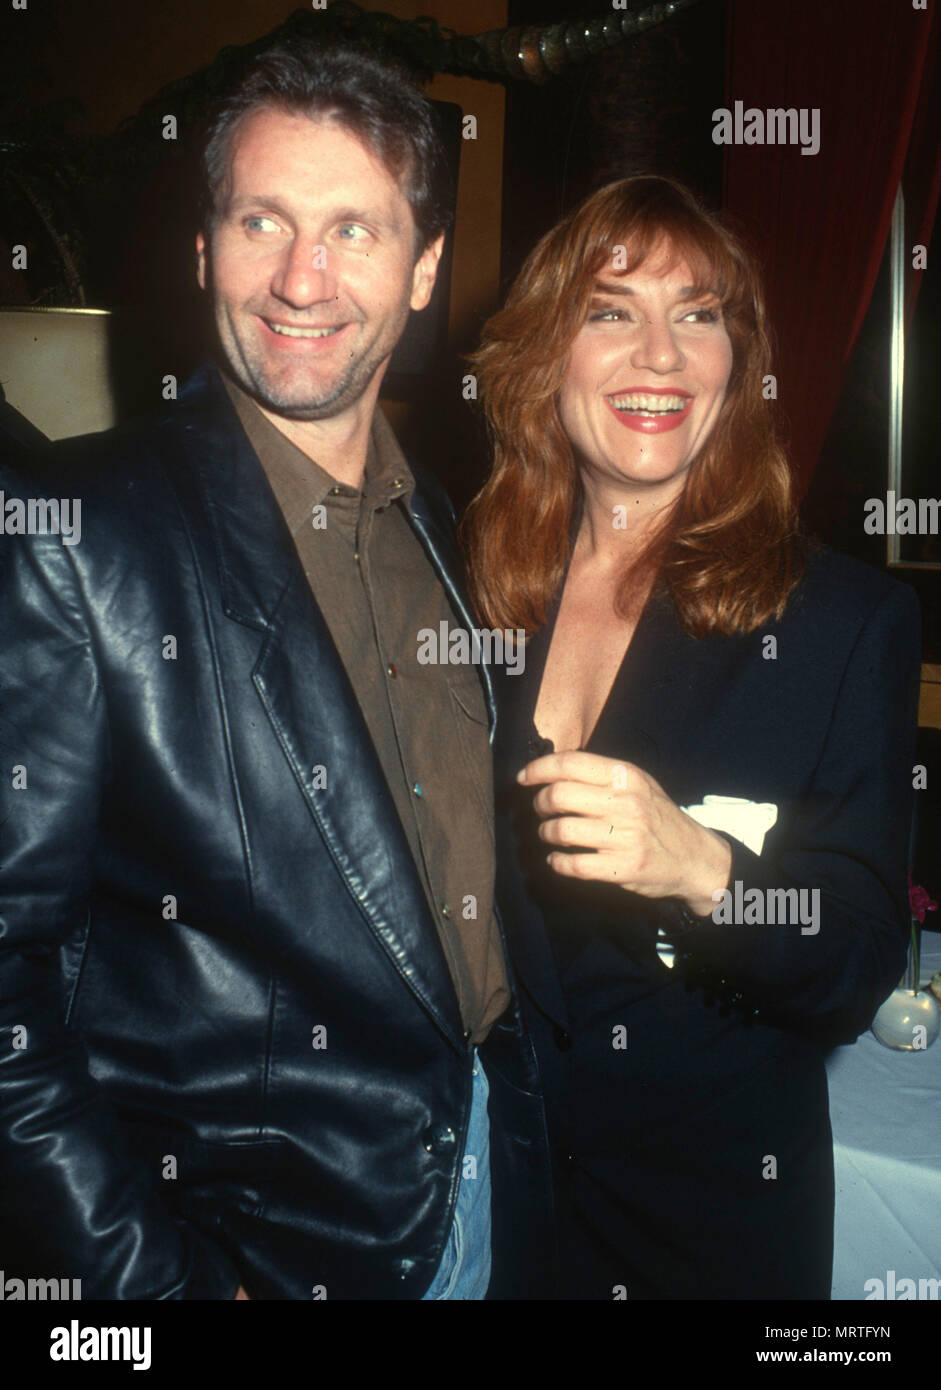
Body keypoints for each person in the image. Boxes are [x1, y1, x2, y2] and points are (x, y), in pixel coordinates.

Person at [0, 40, 554, 1301]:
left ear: (422, 270)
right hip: (261, 1246)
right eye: (263, 221)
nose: (302, 278)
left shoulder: (451, 529)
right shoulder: (74, 535)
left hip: (485, 1190)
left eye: (354, 229)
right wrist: (156, 1284)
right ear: (205, 249)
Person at [461, 175, 921, 1300]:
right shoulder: (467, 590)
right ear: (543, 355)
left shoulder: (840, 621)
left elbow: (856, 962)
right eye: (609, 310)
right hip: (498, 1199)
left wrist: (702, 870)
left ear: (736, 361)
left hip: (711, 1223)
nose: (660, 354)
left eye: (698, 314)